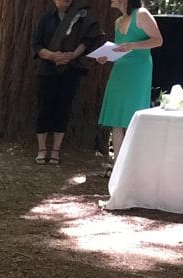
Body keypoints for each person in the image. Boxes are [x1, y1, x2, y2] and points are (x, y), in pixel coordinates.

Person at [31, 0, 105, 166]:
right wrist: (53, 56)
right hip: (47, 70)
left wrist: (72, 55)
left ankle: (56, 150)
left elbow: (87, 40)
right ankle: (42, 149)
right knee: (44, 107)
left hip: (71, 69)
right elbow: (36, 45)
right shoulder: (46, 18)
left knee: (63, 108)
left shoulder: (82, 16)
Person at [97, 0, 163, 166]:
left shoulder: (142, 14)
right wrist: (107, 56)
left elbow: (158, 40)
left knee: (133, 113)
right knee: (117, 116)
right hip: (120, 69)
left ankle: (133, 164)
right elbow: (120, 48)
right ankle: (117, 164)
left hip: (138, 70)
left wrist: (133, 45)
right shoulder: (118, 21)